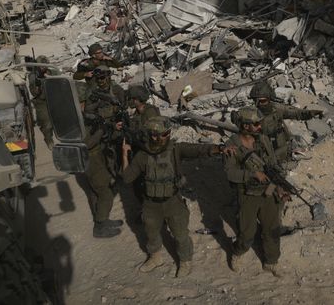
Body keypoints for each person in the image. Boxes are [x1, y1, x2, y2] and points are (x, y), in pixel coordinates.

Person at [121, 116, 229, 277]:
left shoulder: (175, 150)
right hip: (151, 204)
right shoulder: (143, 156)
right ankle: (155, 257)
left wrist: (219, 149)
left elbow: (198, 150)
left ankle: (185, 261)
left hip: (173, 202)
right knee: (151, 234)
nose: (160, 138)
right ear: (149, 135)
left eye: (165, 134)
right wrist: (124, 155)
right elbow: (127, 178)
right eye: (156, 135)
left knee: (180, 235)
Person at [225, 106, 285, 277]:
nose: (260, 126)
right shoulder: (232, 145)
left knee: (272, 228)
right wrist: (252, 174)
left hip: (268, 191)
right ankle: (237, 253)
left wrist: (280, 188)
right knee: (247, 232)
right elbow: (230, 173)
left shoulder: (263, 140)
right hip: (247, 194)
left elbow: (273, 165)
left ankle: (271, 262)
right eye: (256, 124)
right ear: (245, 126)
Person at [81, 65, 127, 238]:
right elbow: (89, 137)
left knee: (109, 171)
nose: (103, 80)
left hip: (107, 140)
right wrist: (104, 127)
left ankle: (103, 219)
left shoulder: (115, 90)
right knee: (101, 188)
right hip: (96, 147)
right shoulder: (91, 98)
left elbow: (122, 105)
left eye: (105, 77)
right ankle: (100, 223)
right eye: (99, 78)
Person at [249, 81, 323, 164]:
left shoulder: (277, 109)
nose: (258, 104)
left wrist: (311, 113)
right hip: (266, 154)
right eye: (255, 101)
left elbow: (296, 113)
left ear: (270, 99)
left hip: (282, 146)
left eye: (262, 101)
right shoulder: (251, 115)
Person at [28, 54, 54, 149]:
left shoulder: (49, 72)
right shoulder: (33, 76)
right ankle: (48, 140)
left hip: (52, 98)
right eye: (42, 66)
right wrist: (38, 87)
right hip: (41, 101)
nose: (44, 68)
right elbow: (34, 92)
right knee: (46, 122)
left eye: (45, 65)